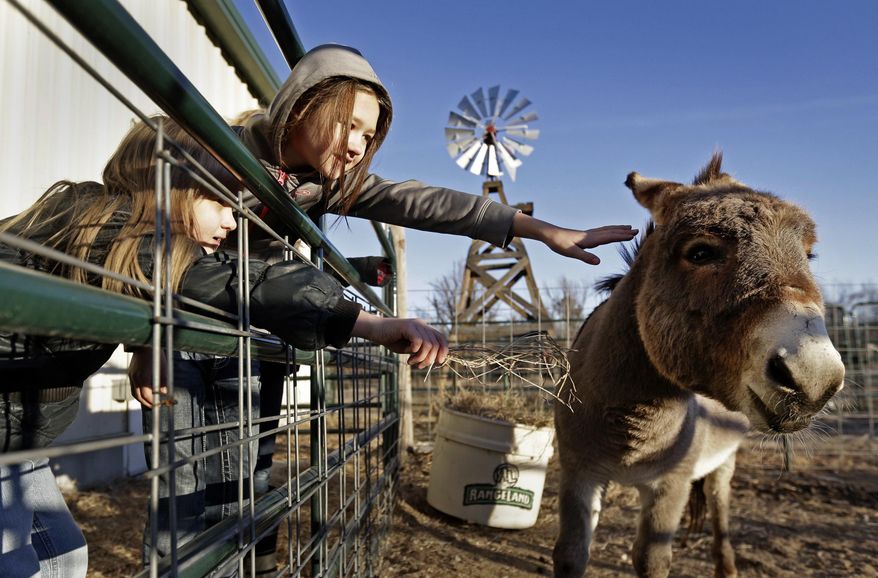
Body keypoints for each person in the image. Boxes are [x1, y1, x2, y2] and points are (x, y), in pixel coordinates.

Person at [231, 43, 639, 570]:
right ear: (305, 103)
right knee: (204, 498)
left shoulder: (319, 183)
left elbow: (420, 201)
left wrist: (538, 230)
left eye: (367, 136)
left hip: (255, 337)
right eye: (351, 125)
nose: (357, 146)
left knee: (255, 475)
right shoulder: (223, 151)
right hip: (196, 332)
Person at [0, 115, 447, 577]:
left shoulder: (103, 225)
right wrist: (369, 324)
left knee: (62, 556)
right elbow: (244, 284)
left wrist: (147, 341)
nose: (233, 221)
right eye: (219, 200)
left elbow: (170, 282)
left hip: (22, 437)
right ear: (173, 186)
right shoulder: (127, 236)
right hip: (8, 425)